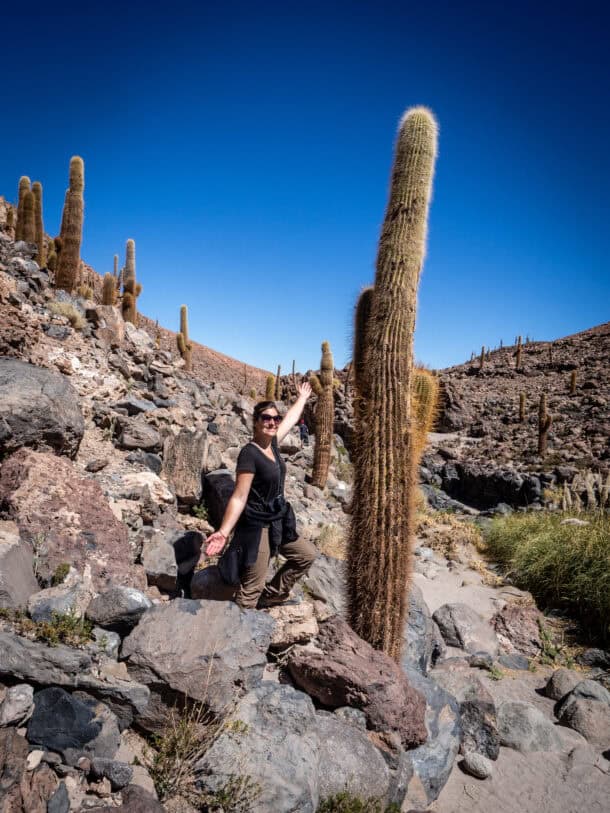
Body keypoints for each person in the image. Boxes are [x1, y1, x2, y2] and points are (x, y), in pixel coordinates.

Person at [205, 382, 317, 609]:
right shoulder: (250, 453)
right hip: (258, 526)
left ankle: (271, 595)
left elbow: (291, 419)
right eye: (266, 418)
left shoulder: (273, 444)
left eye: (276, 419)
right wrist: (223, 532)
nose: (272, 422)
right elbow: (239, 496)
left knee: (306, 555)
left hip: (278, 519)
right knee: (251, 588)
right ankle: (239, 626)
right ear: (255, 422)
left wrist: (302, 398)